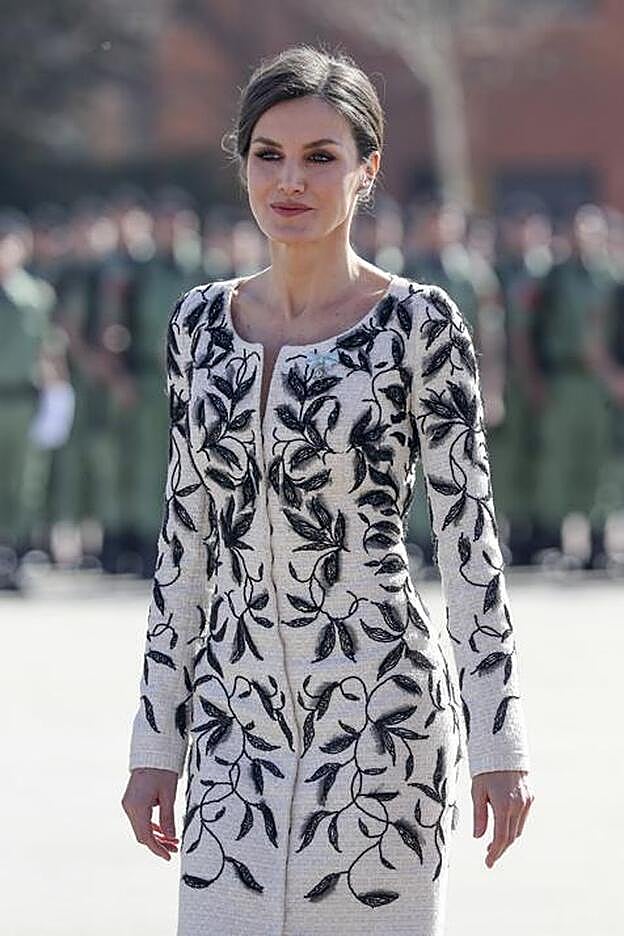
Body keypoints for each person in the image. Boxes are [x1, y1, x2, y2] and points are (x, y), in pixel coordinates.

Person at [122, 44, 534, 936]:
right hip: (232, 729)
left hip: (383, 724)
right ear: (242, 165)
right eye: (268, 154)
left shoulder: (420, 324)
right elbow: (184, 540)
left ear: (366, 171)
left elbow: (470, 544)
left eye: (321, 157)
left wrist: (499, 744)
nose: (290, 181)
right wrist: (154, 744)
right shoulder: (199, 325)